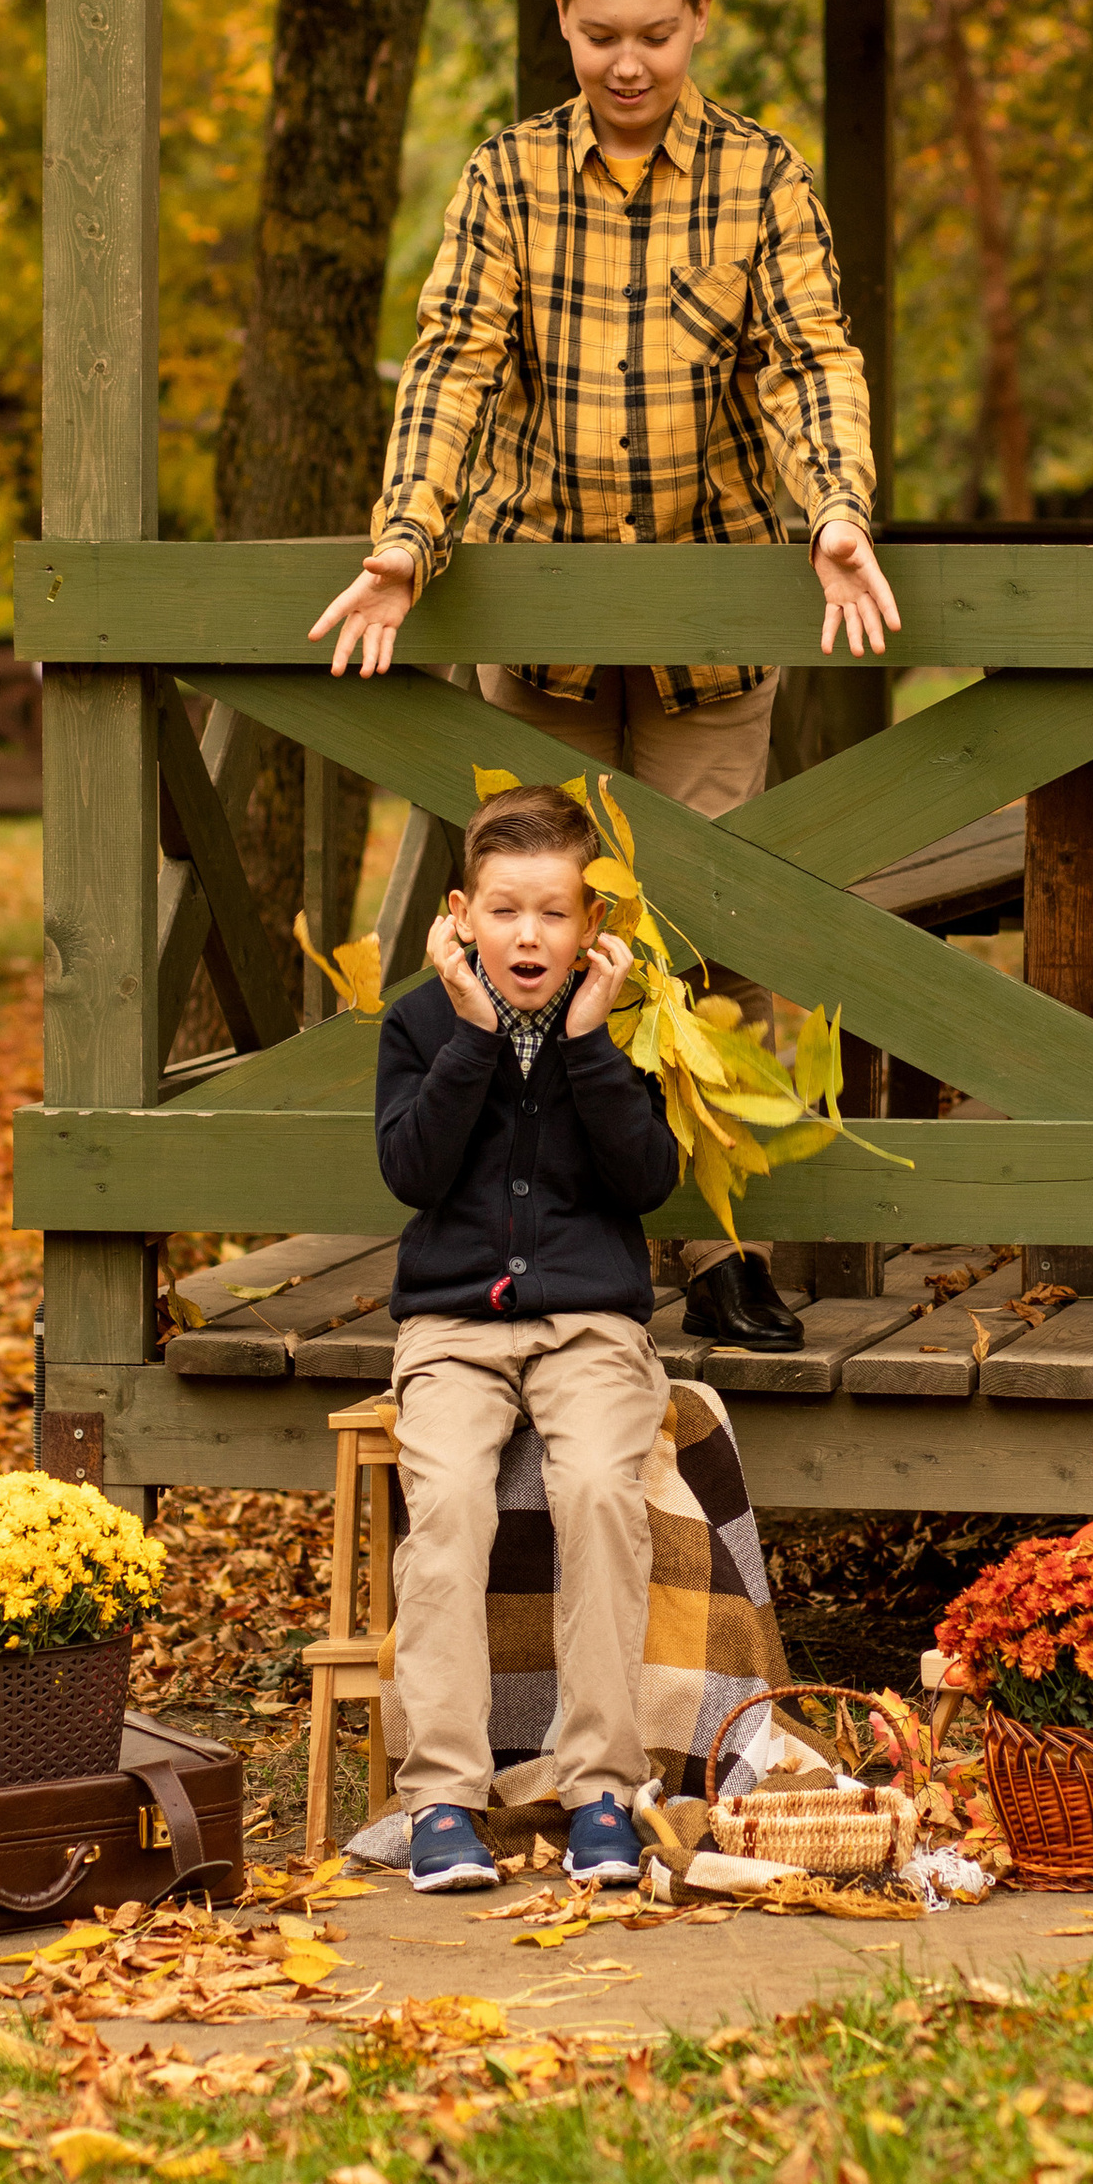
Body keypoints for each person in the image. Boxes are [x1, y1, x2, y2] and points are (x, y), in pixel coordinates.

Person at [311, 0, 900, 1354]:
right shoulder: (507, 178)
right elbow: (451, 361)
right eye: (596, 37)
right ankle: (551, 1240)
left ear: (699, 15)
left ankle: (718, 1251)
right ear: (561, 26)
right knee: (537, 933)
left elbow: (806, 360)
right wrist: (406, 540)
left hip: (710, 640)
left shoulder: (764, 177)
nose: (627, 64)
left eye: (653, 32)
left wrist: (834, 507)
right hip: (547, 628)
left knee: (711, 933)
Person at [374, 779, 677, 1895]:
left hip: (590, 1323)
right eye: (504, 911)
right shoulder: (417, 1022)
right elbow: (409, 1171)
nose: (529, 935)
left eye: (554, 912)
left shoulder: (632, 1022)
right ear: (460, 915)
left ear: (591, 925)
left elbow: (647, 1178)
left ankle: (602, 1784)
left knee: (598, 1487)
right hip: (453, 1326)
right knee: (445, 1500)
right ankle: (443, 1799)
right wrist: (468, 1039)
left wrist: (589, 1050)